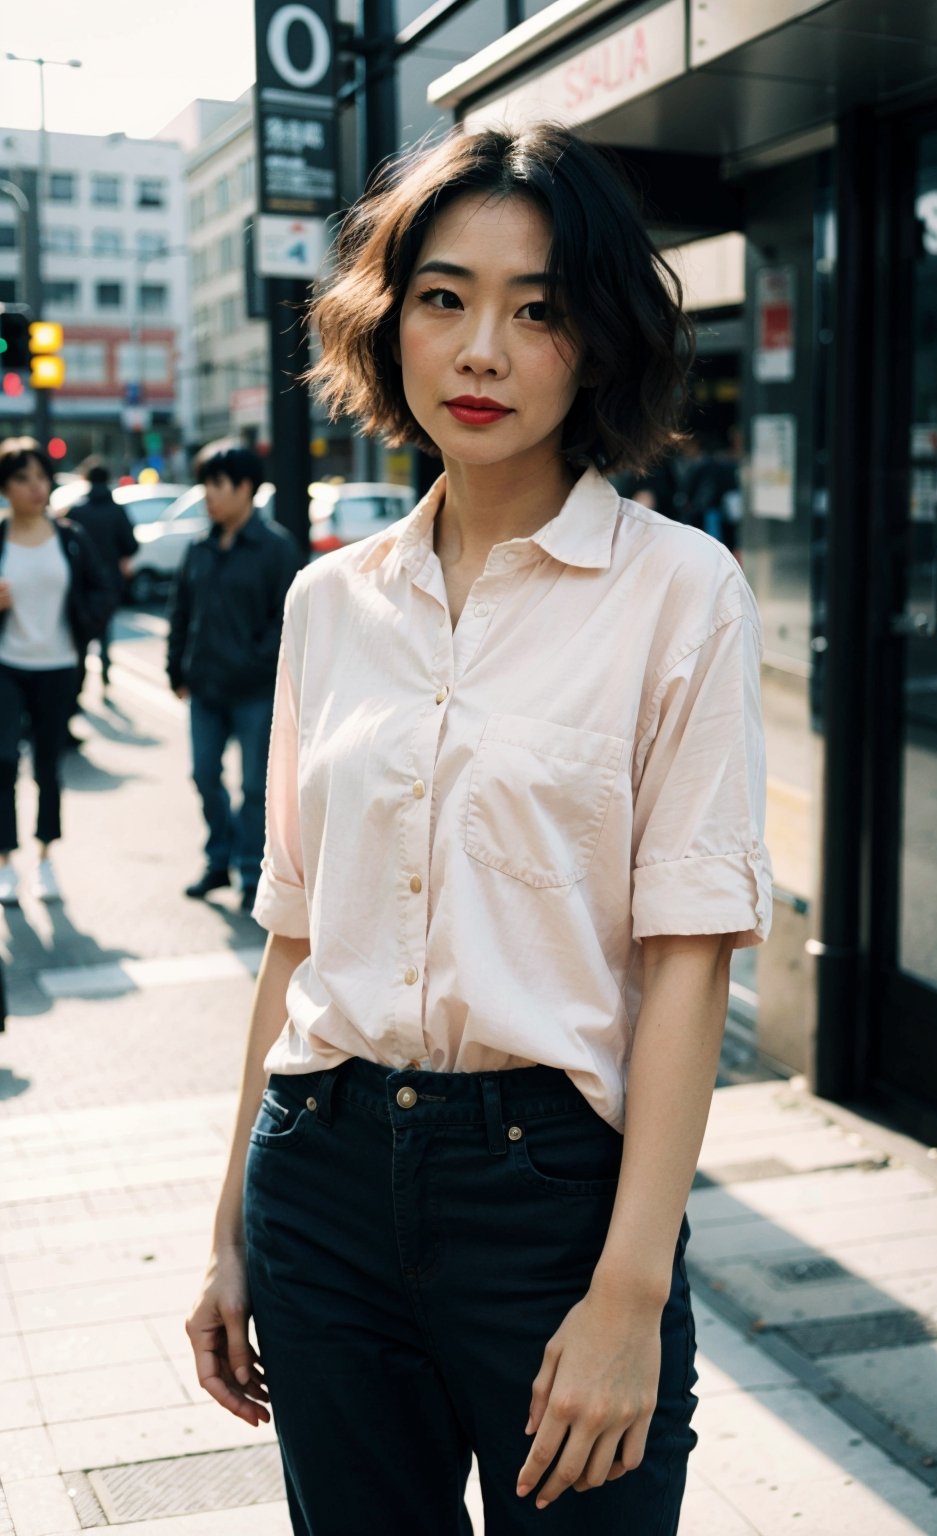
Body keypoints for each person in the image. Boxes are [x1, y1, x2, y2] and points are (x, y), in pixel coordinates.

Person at [186, 125, 772, 1535]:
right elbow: (296, 932)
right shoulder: (329, 606)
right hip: (318, 1176)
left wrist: (631, 1296)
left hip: (551, 1197)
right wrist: (229, 1236)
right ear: (389, 329)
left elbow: (690, 959)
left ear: (599, 337)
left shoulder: (679, 595)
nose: (484, 350)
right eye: (444, 299)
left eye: (540, 306)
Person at [167, 441, 301, 914]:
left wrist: (250, 663)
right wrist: (175, 668)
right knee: (203, 775)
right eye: (205, 483)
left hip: (253, 692)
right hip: (204, 688)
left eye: (217, 484)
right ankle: (217, 859)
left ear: (245, 488)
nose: (208, 494)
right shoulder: (200, 547)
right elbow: (181, 611)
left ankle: (249, 871)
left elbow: (284, 624)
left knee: (255, 789)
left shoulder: (276, 549)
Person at [0, 437, 114, 905]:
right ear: (5, 486)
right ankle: (6, 860)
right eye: (24, 478)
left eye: (42, 477)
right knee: (3, 760)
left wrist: (84, 626)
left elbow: (102, 592)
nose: (36, 487)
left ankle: (45, 859)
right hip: (6, 664)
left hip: (59, 665)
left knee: (48, 763)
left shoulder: (70, 537)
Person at [69, 458, 138, 691]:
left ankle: (79, 681)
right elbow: (131, 544)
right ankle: (105, 670)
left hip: (80, 582)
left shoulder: (77, 511)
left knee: (80, 631)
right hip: (109, 580)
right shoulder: (116, 510)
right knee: (105, 628)